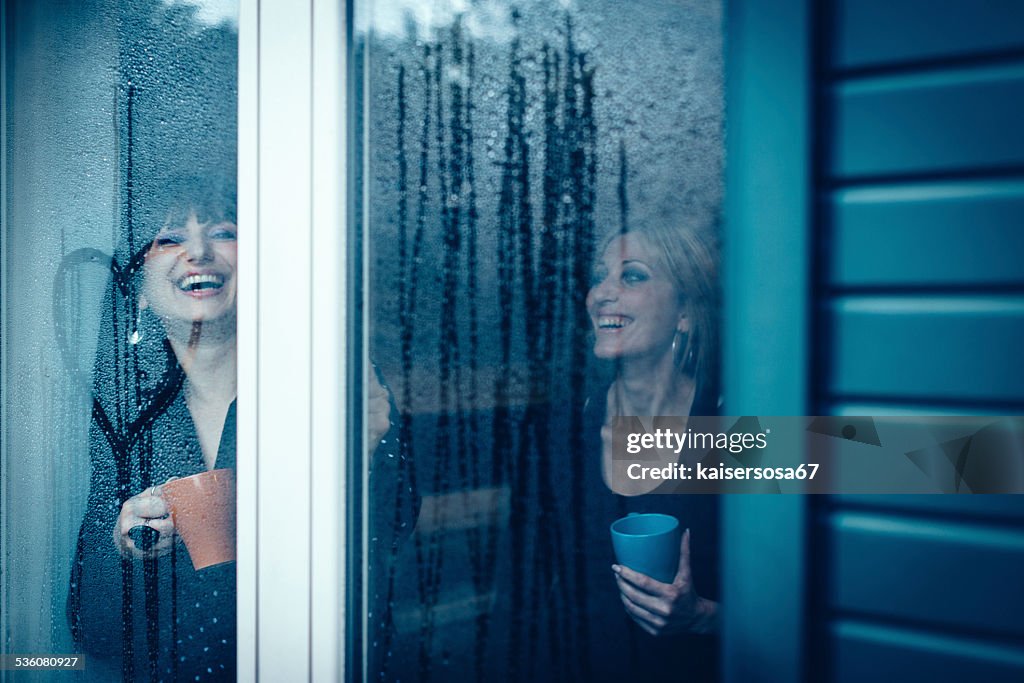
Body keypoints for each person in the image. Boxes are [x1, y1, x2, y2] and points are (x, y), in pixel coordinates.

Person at [66, 175, 401, 682]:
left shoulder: (323, 388)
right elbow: (95, 630)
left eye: (222, 231)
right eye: (171, 238)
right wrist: (123, 547)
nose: (198, 250)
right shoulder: (135, 425)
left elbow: (395, 541)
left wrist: (365, 459)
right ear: (140, 296)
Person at [580, 222, 721, 682]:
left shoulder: (735, 430)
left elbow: (804, 603)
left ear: (684, 311)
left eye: (632, 276)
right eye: (599, 276)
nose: (602, 292)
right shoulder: (564, 435)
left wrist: (701, 616)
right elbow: (523, 593)